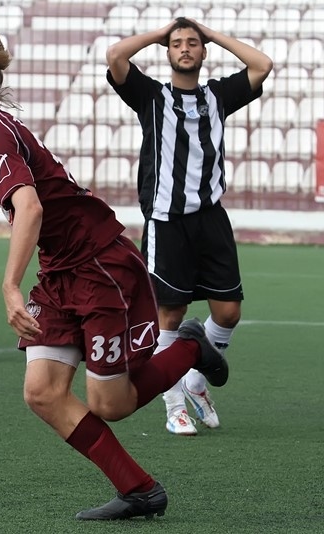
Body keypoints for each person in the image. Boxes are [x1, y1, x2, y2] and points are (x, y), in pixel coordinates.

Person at [0, 35, 230, 520]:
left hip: (98, 266)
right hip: (62, 268)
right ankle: (139, 490)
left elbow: (28, 207)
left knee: (110, 402)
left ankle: (190, 346)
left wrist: (10, 285)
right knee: (43, 393)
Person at [106, 18, 272, 435]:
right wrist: (160, 33)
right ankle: (173, 404)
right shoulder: (151, 96)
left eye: (192, 43)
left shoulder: (217, 95)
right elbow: (115, 56)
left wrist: (212, 33)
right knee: (171, 313)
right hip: (166, 220)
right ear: (167, 51)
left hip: (211, 218)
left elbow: (262, 65)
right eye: (177, 43)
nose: (184, 48)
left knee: (229, 312)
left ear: (202, 52)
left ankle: (197, 382)